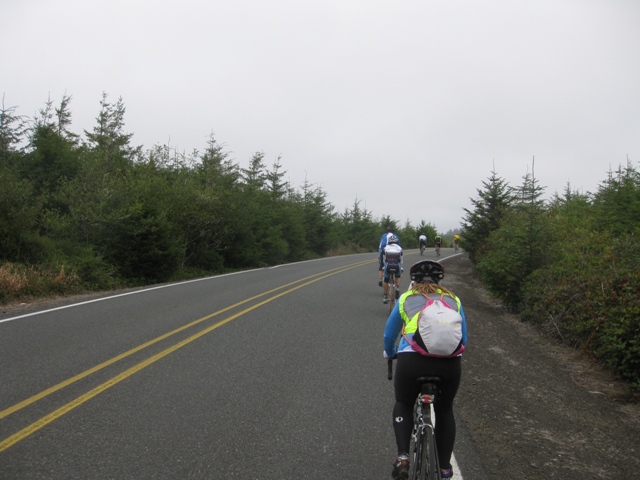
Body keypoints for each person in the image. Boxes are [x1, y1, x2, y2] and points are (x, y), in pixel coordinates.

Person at [383, 260, 468, 479]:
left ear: (414, 281)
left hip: (412, 360)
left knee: (404, 403)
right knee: (445, 410)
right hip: (449, 363)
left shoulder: (405, 299)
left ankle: (403, 457)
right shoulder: (454, 300)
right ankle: (445, 468)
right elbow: (464, 339)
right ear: (440, 281)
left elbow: (389, 335)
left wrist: (391, 353)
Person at [382, 235, 403, 304]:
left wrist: (384, 266)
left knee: (386, 279)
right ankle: (397, 287)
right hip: (396, 265)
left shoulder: (385, 248)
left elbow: (384, 259)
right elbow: (401, 260)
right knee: (398, 276)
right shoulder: (399, 248)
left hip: (388, 265)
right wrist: (401, 268)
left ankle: (385, 296)